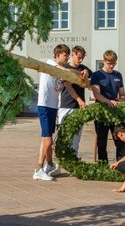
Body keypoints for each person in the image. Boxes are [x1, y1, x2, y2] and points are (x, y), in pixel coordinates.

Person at [33, 44, 87, 181]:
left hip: (53, 107)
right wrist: (79, 72)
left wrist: (82, 75)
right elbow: (64, 70)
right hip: (44, 106)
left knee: (46, 139)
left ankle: (50, 165)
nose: (67, 57)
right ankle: (39, 169)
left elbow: (69, 82)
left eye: (68, 55)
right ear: (57, 55)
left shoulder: (63, 71)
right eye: (65, 55)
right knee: (48, 140)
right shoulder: (50, 63)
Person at [91, 50, 125, 162]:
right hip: (101, 111)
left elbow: (122, 93)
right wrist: (107, 101)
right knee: (102, 141)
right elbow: (96, 94)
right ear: (104, 61)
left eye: (113, 63)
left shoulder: (118, 75)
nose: (111, 66)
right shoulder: (97, 75)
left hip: (115, 111)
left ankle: (121, 164)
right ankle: (103, 165)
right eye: (109, 63)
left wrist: (122, 98)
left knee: (120, 139)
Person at [58, 46, 92, 154]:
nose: (80, 60)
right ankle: (59, 163)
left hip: (78, 108)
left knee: (76, 138)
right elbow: (68, 86)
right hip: (66, 106)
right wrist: (80, 100)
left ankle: (74, 161)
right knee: (63, 136)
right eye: (78, 57)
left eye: (82, 58)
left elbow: (88, 84)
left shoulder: (84, 68)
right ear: (73, 55)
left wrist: (86, 76)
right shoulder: (65, 67)